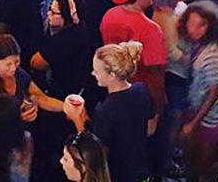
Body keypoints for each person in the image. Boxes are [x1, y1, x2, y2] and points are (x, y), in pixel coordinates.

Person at [63, 42, 156, 182]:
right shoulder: (142, 90)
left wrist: (78, 120)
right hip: (143, 170)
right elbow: (150, 129)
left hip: (121, 175)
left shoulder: (105, 110)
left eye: (96, 71)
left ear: (112, 75)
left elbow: (97, 157)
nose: (92, 73)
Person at [179, 1, 218, 181]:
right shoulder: (201, 45)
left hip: (214, 119)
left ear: (211, 27)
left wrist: (193, 124)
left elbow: (214, 93)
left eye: (201, 25)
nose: (194, 30)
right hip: (204, 113)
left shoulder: (214, 54)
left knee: (201, 164)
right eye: (191, 23)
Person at [101, 0, 167, 126]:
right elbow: (155, 74)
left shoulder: (109, 16)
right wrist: (159, 107)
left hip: (113, 89)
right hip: (141, 96)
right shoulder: (150, 29)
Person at [0, 34, 67, 118]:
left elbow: (42, 99)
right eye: (8, 64)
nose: (13, 68)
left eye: (17, 62)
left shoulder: (18, 73)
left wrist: (67, 108)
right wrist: (19, 119)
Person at [31, 0, 94, 100]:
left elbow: (36, 63)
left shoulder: (62, 41)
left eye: (53, 12)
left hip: (63, 91)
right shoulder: (82, 27)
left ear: (66, 16)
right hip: (80, 83)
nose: (48, 14)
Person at [152, 0, 190, 111]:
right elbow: (172, 52)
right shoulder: (164, 17)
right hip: (175, 73)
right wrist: (194, 62)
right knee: (176, 111)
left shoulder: (180, 5)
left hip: (185, 67)